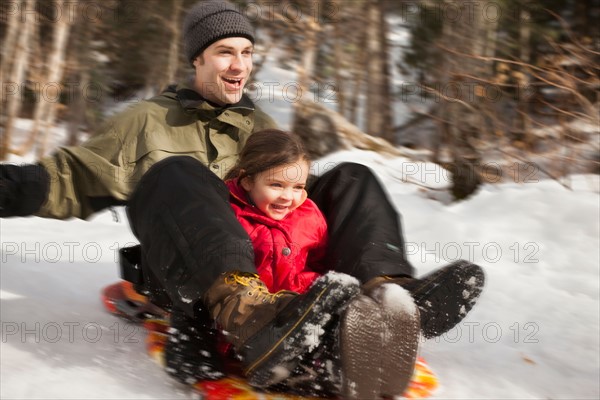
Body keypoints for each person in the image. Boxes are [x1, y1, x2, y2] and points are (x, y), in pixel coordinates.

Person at [0, 1, 485, 398]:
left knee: (352, 177)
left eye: (247, 52)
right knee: (177, 172)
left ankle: (384, 298)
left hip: (278, 273)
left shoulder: (260, 128)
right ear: (197, 59)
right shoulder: (145, 121)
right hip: (189, 284)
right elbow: (63, 179)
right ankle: (248, 313)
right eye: (224, 52)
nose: (239, 65)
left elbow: (295, 203)